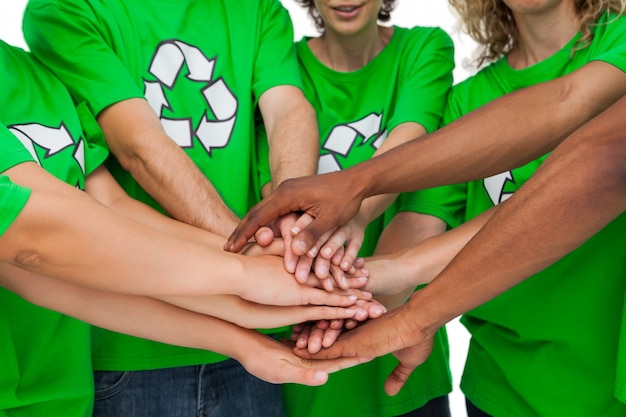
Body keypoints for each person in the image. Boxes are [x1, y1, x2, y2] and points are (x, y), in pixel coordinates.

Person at [229, 1, 626, 415]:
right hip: (500, 386)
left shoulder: (618, 40)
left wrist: (357, 190)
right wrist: (358, 291)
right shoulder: (469, 100)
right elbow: (420, 224)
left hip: (603, 386)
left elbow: (575, 126)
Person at [0, 39, 375, 416]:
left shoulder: (37, 74)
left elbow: (91, 234)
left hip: (66, 396)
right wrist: (244, 274)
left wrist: (246, 332)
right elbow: (32, 237)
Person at [294, 90, 626, 402]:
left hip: (602, 377)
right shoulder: (468, 96)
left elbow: (601, 161)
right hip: (500, 379)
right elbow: (420, 223)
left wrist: (413, 316)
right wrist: (367, 287)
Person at [258, 1, 456, 416]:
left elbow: (414, 138)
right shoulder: (280, 65)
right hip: (305, 360)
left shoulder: (423, 47)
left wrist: (356, 213)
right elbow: (272, 185)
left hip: (402, 343)